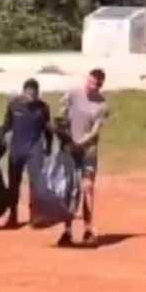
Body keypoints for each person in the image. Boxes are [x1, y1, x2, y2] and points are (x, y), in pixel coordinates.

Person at [58, 68, 109, 246]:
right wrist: (62, 128)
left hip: (88, 150)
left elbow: (95, 132)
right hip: (69, 149)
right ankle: (67, 230)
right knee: (69, 188)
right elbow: (61, 113)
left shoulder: (102, 105)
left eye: (96, 84)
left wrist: (79, 142)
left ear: (100, 85)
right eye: (90, 81)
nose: (91, 86)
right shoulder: (73, 94)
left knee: (87, 187)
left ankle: (88, 228)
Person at [2, 78, 53, 228]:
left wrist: (48, 147)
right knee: (13, 183)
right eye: (28, 93)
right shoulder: (14, 105)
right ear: (23, 92)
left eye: (34, 93)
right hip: (17, 148)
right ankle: (13, 216)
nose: (31, 96)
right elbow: (6, 126)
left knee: (36, 184)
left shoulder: (43, 108)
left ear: (38, 93)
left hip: (34, 149)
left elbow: (47, 129)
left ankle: (35, 215)